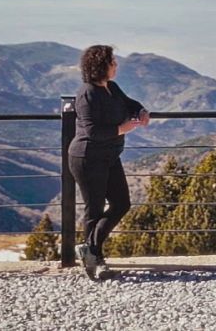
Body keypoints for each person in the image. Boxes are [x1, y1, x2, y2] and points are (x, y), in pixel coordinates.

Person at [67, 44, 149, 281]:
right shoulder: (86, 94)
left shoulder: (111, 88)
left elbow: (129, 103)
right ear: (101, 66)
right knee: (94, 209)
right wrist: (120, 129)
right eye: (113, 62)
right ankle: (94, 259)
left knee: (121, 203)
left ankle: (89, 249)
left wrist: (142, 110)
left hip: (110, 156)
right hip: (87, 157)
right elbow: (92, 131)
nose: (116, 65)